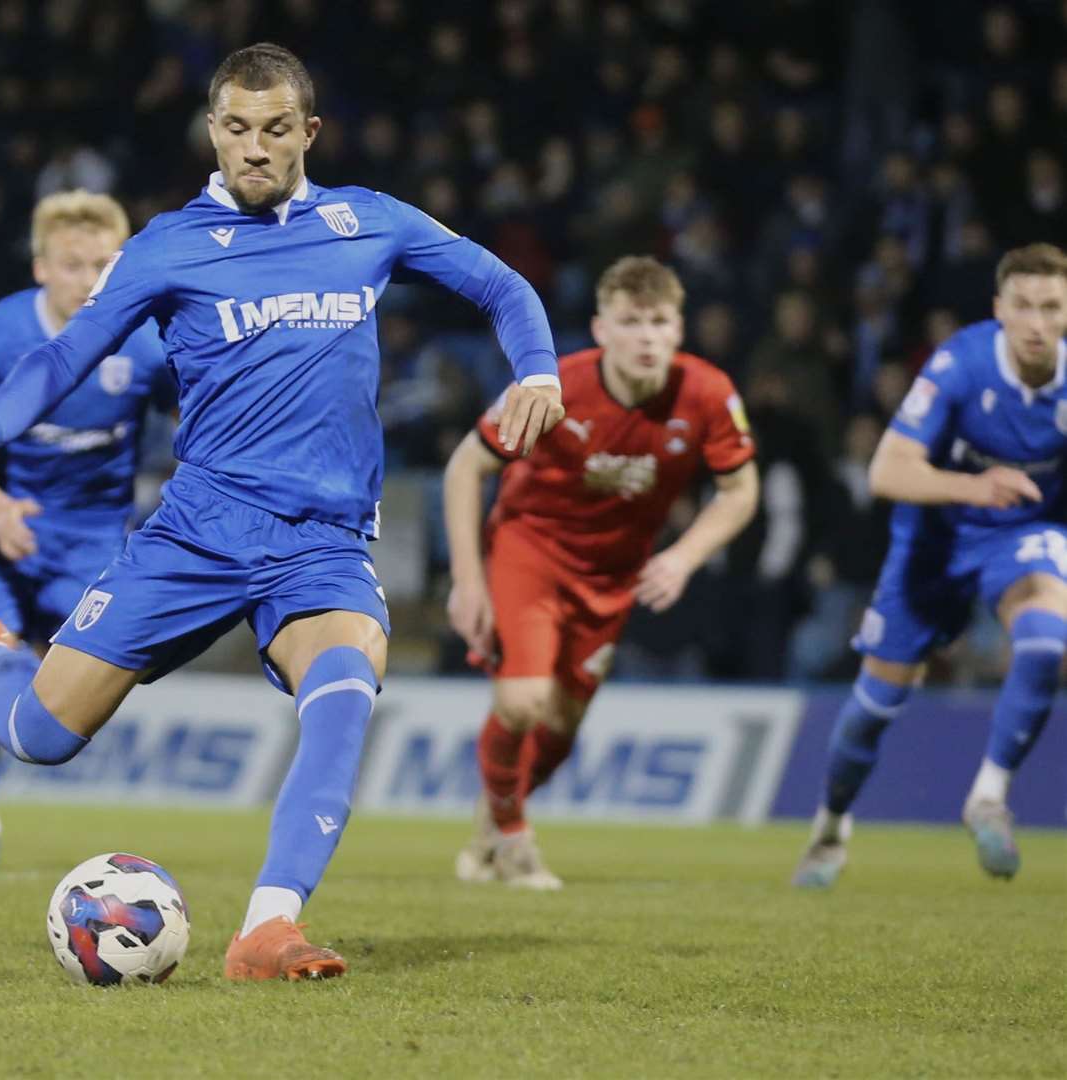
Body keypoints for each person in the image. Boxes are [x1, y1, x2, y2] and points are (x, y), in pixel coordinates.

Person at [0, 43, 563, 981]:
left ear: (307, 131)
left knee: (345, 691)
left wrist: (538, 367)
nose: (254, 148)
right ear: (212, 133)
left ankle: (268, 927)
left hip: (322, 545)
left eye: (274, 130)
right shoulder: (167, 247)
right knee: (39, 737)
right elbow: (66, 358)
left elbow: (502, 286)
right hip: (198, 533)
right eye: (235, 129)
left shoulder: (367, 221)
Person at [444, 256, 760, 889]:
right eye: (631, 322)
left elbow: (741, 491)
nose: (647, 336)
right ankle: (514, 840)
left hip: (613, 577)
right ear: (601, 328)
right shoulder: (553, 386)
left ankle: (495, 817)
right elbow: (464, 468)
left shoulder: (707, 393)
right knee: (524, 700)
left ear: (679, 328)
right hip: (530, 552)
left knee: (560, 728)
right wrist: (469, 582)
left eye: (660, 322)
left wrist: (682, 556)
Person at [792, 242, 1067, 888]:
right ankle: (831, 827)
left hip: (1020, 536)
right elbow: (888, 470)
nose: (1035, 322)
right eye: (1022, 306)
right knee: (874, 707)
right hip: (933, 544)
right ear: (999, 308)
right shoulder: (962, 364)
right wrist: (976, 487)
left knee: (1047, 638)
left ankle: (988, 796)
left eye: (1051, 308)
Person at [0, 190, 172, 873]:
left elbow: (195, 424)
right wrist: (0, 510)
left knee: (93, 683)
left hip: (96, 544)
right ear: (41, 267)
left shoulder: (147, 340)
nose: (88, 280)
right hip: (2, 535)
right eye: (72, 264)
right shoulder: (1, 334)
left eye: (103, 264)